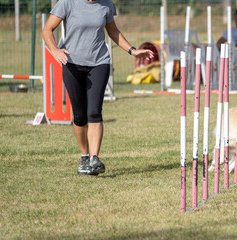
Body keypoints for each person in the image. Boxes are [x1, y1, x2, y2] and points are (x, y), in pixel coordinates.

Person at [42, 0, 154, 176]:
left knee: (94, 112)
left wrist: (132, 50)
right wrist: (55, 50)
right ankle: (84, 157)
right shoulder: (67, 3)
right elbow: (47, 30)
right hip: (72, 64)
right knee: (79, 115)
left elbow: (113, 32)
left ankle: (95, 158)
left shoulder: (106, 4)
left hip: (99, 63)